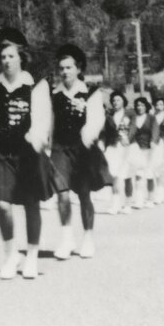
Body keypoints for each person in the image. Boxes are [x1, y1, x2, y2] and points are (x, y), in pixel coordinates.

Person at [0, 28, 54, 280]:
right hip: (2, 152)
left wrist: (38, 139)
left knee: (31, 204)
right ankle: (10, 254)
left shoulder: (35, 84)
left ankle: (31, 255)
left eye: (11, 56)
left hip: (28, 153)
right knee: (3, 205)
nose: (7, 61)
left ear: (21, 57)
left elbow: (43, 118)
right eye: (3, 57)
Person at [49, 44, 109, 260]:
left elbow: (97, 120)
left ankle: (88, 237)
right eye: (61, 68)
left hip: (82, 149)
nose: (64, 72)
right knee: (62, 194)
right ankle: (67, 238)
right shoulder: (53, 94)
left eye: (69, 67)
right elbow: (49, 122)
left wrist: (88, 135)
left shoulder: (90, 93)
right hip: (60, 148)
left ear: (78, 68)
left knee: (84, 194)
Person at [100, 91, 132, 214]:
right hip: (113, 147)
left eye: (118, 100)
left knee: (127, 175)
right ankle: (116, 204)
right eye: (113, 100)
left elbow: (134, 128)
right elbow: (104, 132)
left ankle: (128, 204)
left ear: (123, 101)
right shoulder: (109, 116)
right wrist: (102, 143)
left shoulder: (130, 114)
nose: (115, 102)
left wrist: (128, 138)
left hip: (126, 147)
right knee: (114, 175)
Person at [126, 97, 156, 209]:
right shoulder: (133, 118)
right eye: (138, 105)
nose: (139, 107)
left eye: (142, 105)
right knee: (139, 174)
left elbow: (155, 130)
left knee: (149, 174)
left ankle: (150, 199)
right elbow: (131, 131)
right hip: (136, 148)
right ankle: (139, 200)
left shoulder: (151, 117)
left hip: (149, 148)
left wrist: (153, 141)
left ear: (146, 106)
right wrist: (127, 140)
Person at [150, 98, 164, 205]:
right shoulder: (152, 117)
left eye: (161, 104)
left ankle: (162, 193)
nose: (159, 106)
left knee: (162, 168)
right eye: (157, 104)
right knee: (155, 167)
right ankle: (157, 192)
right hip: (155, 143)